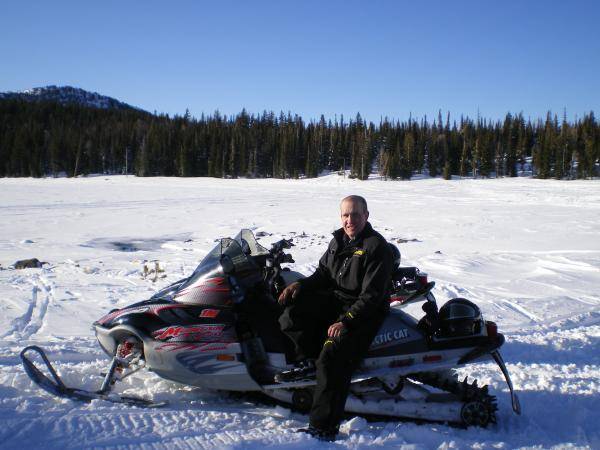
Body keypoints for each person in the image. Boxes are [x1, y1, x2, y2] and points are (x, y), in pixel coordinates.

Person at [276, 195, 393, 441]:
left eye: (355, 215)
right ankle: (306, 362)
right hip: (338, 300)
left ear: (366, 216)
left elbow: (371, 296)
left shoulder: (376, 247)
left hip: (363, 312)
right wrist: (300, 285)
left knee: (332, 359)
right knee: (292, 313)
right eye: (345, 215)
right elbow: (323, 273)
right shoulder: (338, 240)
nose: (349, 220)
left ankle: (323, 427)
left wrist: (346, 321)